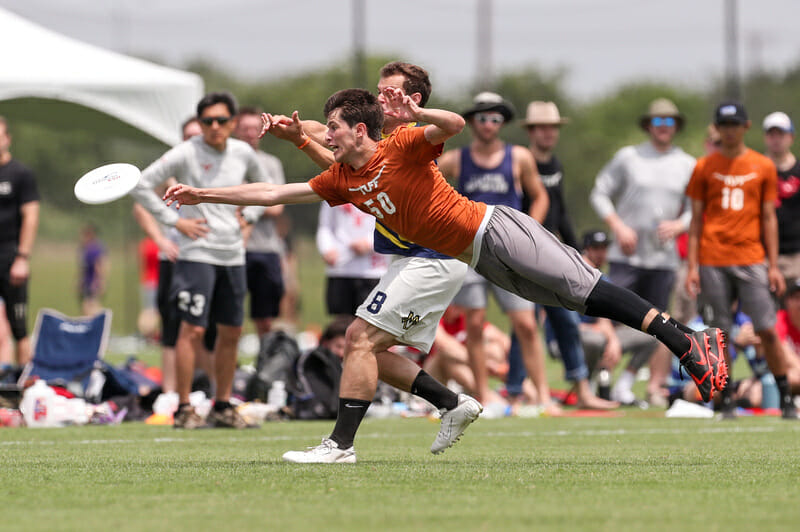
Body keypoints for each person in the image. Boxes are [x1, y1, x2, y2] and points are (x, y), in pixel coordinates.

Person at [164, 87, 727, 458]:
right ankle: (689, 342)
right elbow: (270, 190)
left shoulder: (402, 144)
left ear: (360, 131)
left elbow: (453, 123)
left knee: (587, 287)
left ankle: (687, 342)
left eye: (333, 127)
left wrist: (417, 114)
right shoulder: (342, 179)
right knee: (578, 302)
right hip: (476, 258)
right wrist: (200, 194)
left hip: (496, 230)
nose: (325, 134)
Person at [268, 62, 480, 462]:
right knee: (364, 349)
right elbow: (335, 152)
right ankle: (450, 403)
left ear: (413, 101)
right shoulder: (377, 136)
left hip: (430, 255)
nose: (380, 97)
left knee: (358, 340)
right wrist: (299, 131)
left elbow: (340, 165)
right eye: (379, 92)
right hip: (407, 258)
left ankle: (340, 446)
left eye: (389, 92)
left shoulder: (406, 139)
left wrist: (303, 139)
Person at [132, 91, 269, 429]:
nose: (214, 127)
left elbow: (269, 185)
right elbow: (141, 185)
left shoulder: (242, 153)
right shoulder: (186, 152)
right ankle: (183, 407)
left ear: (233, 123)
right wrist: (174, 222)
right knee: (191, 330)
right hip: (196, 255)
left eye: (222, 120)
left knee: (232, 331)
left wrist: (249, 217)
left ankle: (222, 405)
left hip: (232, 255)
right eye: (208, 121)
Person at [438, 92, 556, 414]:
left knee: (527, 325)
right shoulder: (455, 160)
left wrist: (531, 232)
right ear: (472, 122)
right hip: (470, 252)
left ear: (502, 122)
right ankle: (482, 396)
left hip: (511, 252)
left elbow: (540, 196)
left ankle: (544, 396)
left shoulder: (518, 157)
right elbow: (428, 190)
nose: (489, 124)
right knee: (474, 324)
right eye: (482, 118)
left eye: (495, 118)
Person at [685, 100, 796, 419]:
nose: (729, 131)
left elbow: (768, 219)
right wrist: (692, 266)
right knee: (719, 334)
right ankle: (728, 399)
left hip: (750, 257)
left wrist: (773, 266)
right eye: (724, 125)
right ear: (717, 129)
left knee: (766, 328)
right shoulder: (704, 167)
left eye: (735, 125)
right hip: (712, 257)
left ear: (745, 128)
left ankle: (786, 396)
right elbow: (695, 220)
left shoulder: (762, 166)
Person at [590, 98, 696, 406]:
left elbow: (696, 208)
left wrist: (680, 225)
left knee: (662, 324)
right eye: (658, 122)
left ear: (676, 126)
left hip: (663, 259)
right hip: (627, 256)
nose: (664, 128)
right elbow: (599, 192)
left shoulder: (687, 163)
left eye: (669, 122)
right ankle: (603, 381)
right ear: (648, 125)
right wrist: (618, 226)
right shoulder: (629, 157)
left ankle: (650, 386)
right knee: (610, 315)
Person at [521, 100, 617, 409]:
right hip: (521, 256)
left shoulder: (556, 166)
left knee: (567, 320)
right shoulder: (522, 163)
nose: (549, 133)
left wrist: (577, 253)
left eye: (553, 128)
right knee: (525, 325)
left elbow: (560, 213)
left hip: (551, 257)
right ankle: (521, 389)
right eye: (543, 128)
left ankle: (583, 391)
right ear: (532, 131)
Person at [132, 117, 206, 394]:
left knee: (205, 329)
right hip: (174, 260)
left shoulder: (219, 167)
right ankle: (170, 393)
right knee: (171, 330)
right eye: (188, 135)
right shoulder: (170, 169)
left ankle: (206, 391)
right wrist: (161, 240)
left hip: (207, 258)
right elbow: (140, 206)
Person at [577, 230, 658, 405]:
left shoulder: (603, 279)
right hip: (573, 337)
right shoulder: (571, 276)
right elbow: (558, 323)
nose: (600, 253)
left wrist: (613, 340)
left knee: (654, 334)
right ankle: (587, 387)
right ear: (585, 250)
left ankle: (622, 388)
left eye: (604, 248)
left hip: (601, 335)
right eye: (596, 248)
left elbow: (605, 319)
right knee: (595, 340)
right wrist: (606, 337)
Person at [234, 106, 288, 339]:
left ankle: (265, 364)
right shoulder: (227, 162)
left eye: (254, 128)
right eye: (245, 128)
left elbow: (277, 206)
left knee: (265, 317)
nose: (249, 133)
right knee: (229, 314)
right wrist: (259, 199)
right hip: (232, 248)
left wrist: (242, 201)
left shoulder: (271, 164)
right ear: (235, 130)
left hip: (265, 248)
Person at [0, 115, 39, 367]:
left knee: (18, 327)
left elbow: (31, 216)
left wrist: (22, 258)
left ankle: (22, 386)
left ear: (7, 139)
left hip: (10, 256)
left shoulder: (21, 174)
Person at [316, 202, 388, 317]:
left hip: (373, 271)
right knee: (341, 322)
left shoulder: (382, 189)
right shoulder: (333, 188)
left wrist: (370, 242)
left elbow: (392, 225)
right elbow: (325, 225)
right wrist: (327, 249)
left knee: (371, 321)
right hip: (340, 269)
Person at [762, 111, 800, 282]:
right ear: (766, 138)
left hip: (796, 254)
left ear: (791, 137)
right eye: (772, 134)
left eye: (781, 134)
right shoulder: (756, 170)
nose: (776, 139)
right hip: (763, 256)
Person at [776, 278, 800, 394]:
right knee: (790, 377)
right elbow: (782, 350)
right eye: (796, 298)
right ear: (787, 301)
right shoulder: (779, 319)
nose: (799, 303)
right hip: (788, 375)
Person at [78, 224, 107, 316]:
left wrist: (100, 281)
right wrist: (80, 281)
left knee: (92, 307)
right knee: (87, 307)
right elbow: (83, 268)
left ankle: (101, 325)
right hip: (87, 282)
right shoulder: (84, 249)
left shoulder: (94, 249)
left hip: (93, 282)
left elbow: (98, 267)